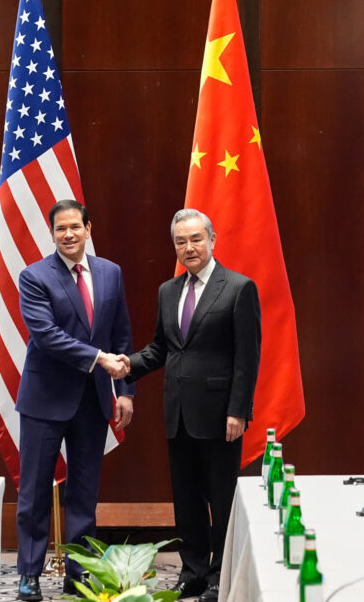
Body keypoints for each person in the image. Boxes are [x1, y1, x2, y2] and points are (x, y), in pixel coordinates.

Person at [120, 208, 261, 602]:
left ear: (212, 240)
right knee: (186, 501)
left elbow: (247, 358)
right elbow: (161, 348)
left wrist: (238, 410)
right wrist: (128, 364)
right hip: (178, 414)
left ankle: (219, 575)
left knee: (222, 499)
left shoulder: (238, 287)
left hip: (220, 415)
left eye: (196, 239)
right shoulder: (168, 291)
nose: (189, 247)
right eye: (180, 241)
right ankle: (193, 571)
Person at [15, 199, 136, 601]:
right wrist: (99, 358)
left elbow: (121, 333)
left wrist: (125, 391)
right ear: (52, 233)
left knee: (84, 494)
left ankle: (79, 573)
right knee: (34, 492)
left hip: (93, 401)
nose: (68, 234)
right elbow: (47, 335)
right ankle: (29, 574)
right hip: (45, 401)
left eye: (74, 227)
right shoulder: (34, 276)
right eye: (60, 229)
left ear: (88, 229)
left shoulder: (110, 273)